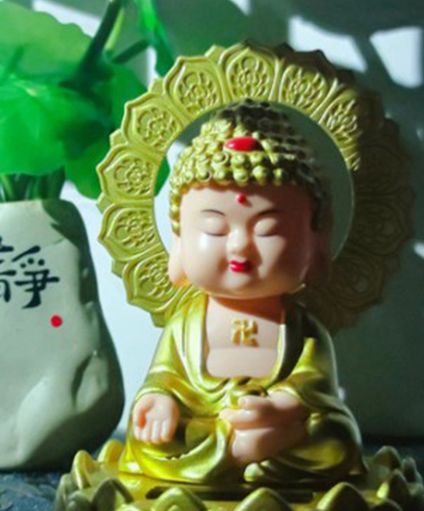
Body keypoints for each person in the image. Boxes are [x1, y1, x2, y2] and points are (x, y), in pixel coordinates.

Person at [120, 102, 364, 486]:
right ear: (179, 241)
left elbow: (314, 386)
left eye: (267, 230)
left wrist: (281, 407)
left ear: (316, 243)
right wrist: (158, 402)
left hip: (280, 426)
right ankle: (244, 452)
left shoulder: (302, 328)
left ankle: (242, 453)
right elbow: (164, 377)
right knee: (149, 441)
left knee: (336, 437)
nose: (239, 247)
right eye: (215, 229)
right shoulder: (185, 326)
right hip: (205, 427)